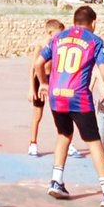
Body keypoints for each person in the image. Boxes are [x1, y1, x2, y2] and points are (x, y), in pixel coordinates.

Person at [33, 6, 104, 207]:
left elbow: (39, 63)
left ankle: (56, 181)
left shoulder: (58, 38)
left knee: (64, 135)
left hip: (56, 96)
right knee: (94, 142)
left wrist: (43, 83)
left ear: (74, 21)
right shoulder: (95, 41)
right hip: (78, 97)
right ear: (94, 23)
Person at [27, 19, 69, 157]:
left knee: (61, 112)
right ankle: (33, 144)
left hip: (54, 80)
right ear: (50, 32)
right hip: (40, 80)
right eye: (59, 33)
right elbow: (33, 67)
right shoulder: (41, 44)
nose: (61, 35)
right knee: (37, 114)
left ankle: (67, 143)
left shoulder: (59, 44)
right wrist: (31, 88)